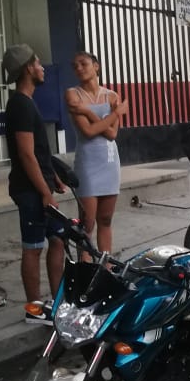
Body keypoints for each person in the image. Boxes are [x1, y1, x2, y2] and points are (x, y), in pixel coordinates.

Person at [3, 45, 66, 325]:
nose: (42, 68)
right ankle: (34, 307)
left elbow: (38, 153)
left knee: (58, 240)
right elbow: (26, 154)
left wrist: (53, 177)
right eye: (38, 63)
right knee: (33, 247)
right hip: (29, 190)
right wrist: (44, 192)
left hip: (41, 186)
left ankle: (57, 299)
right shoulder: (19, 104)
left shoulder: (27, 102)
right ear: (29, 68)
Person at [65, 51, 127, 253]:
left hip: (109, 161)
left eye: (83, 63)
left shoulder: (112, 95)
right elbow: (89, 132)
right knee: (87, 224)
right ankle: (86, 268)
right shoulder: (73, 94)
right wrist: (116, 113)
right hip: (88, 163)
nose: (79, 68)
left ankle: (105, 266)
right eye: (75, 66)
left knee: (106, 219)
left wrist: (88, 111)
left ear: (96, 66)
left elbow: (111, 133)